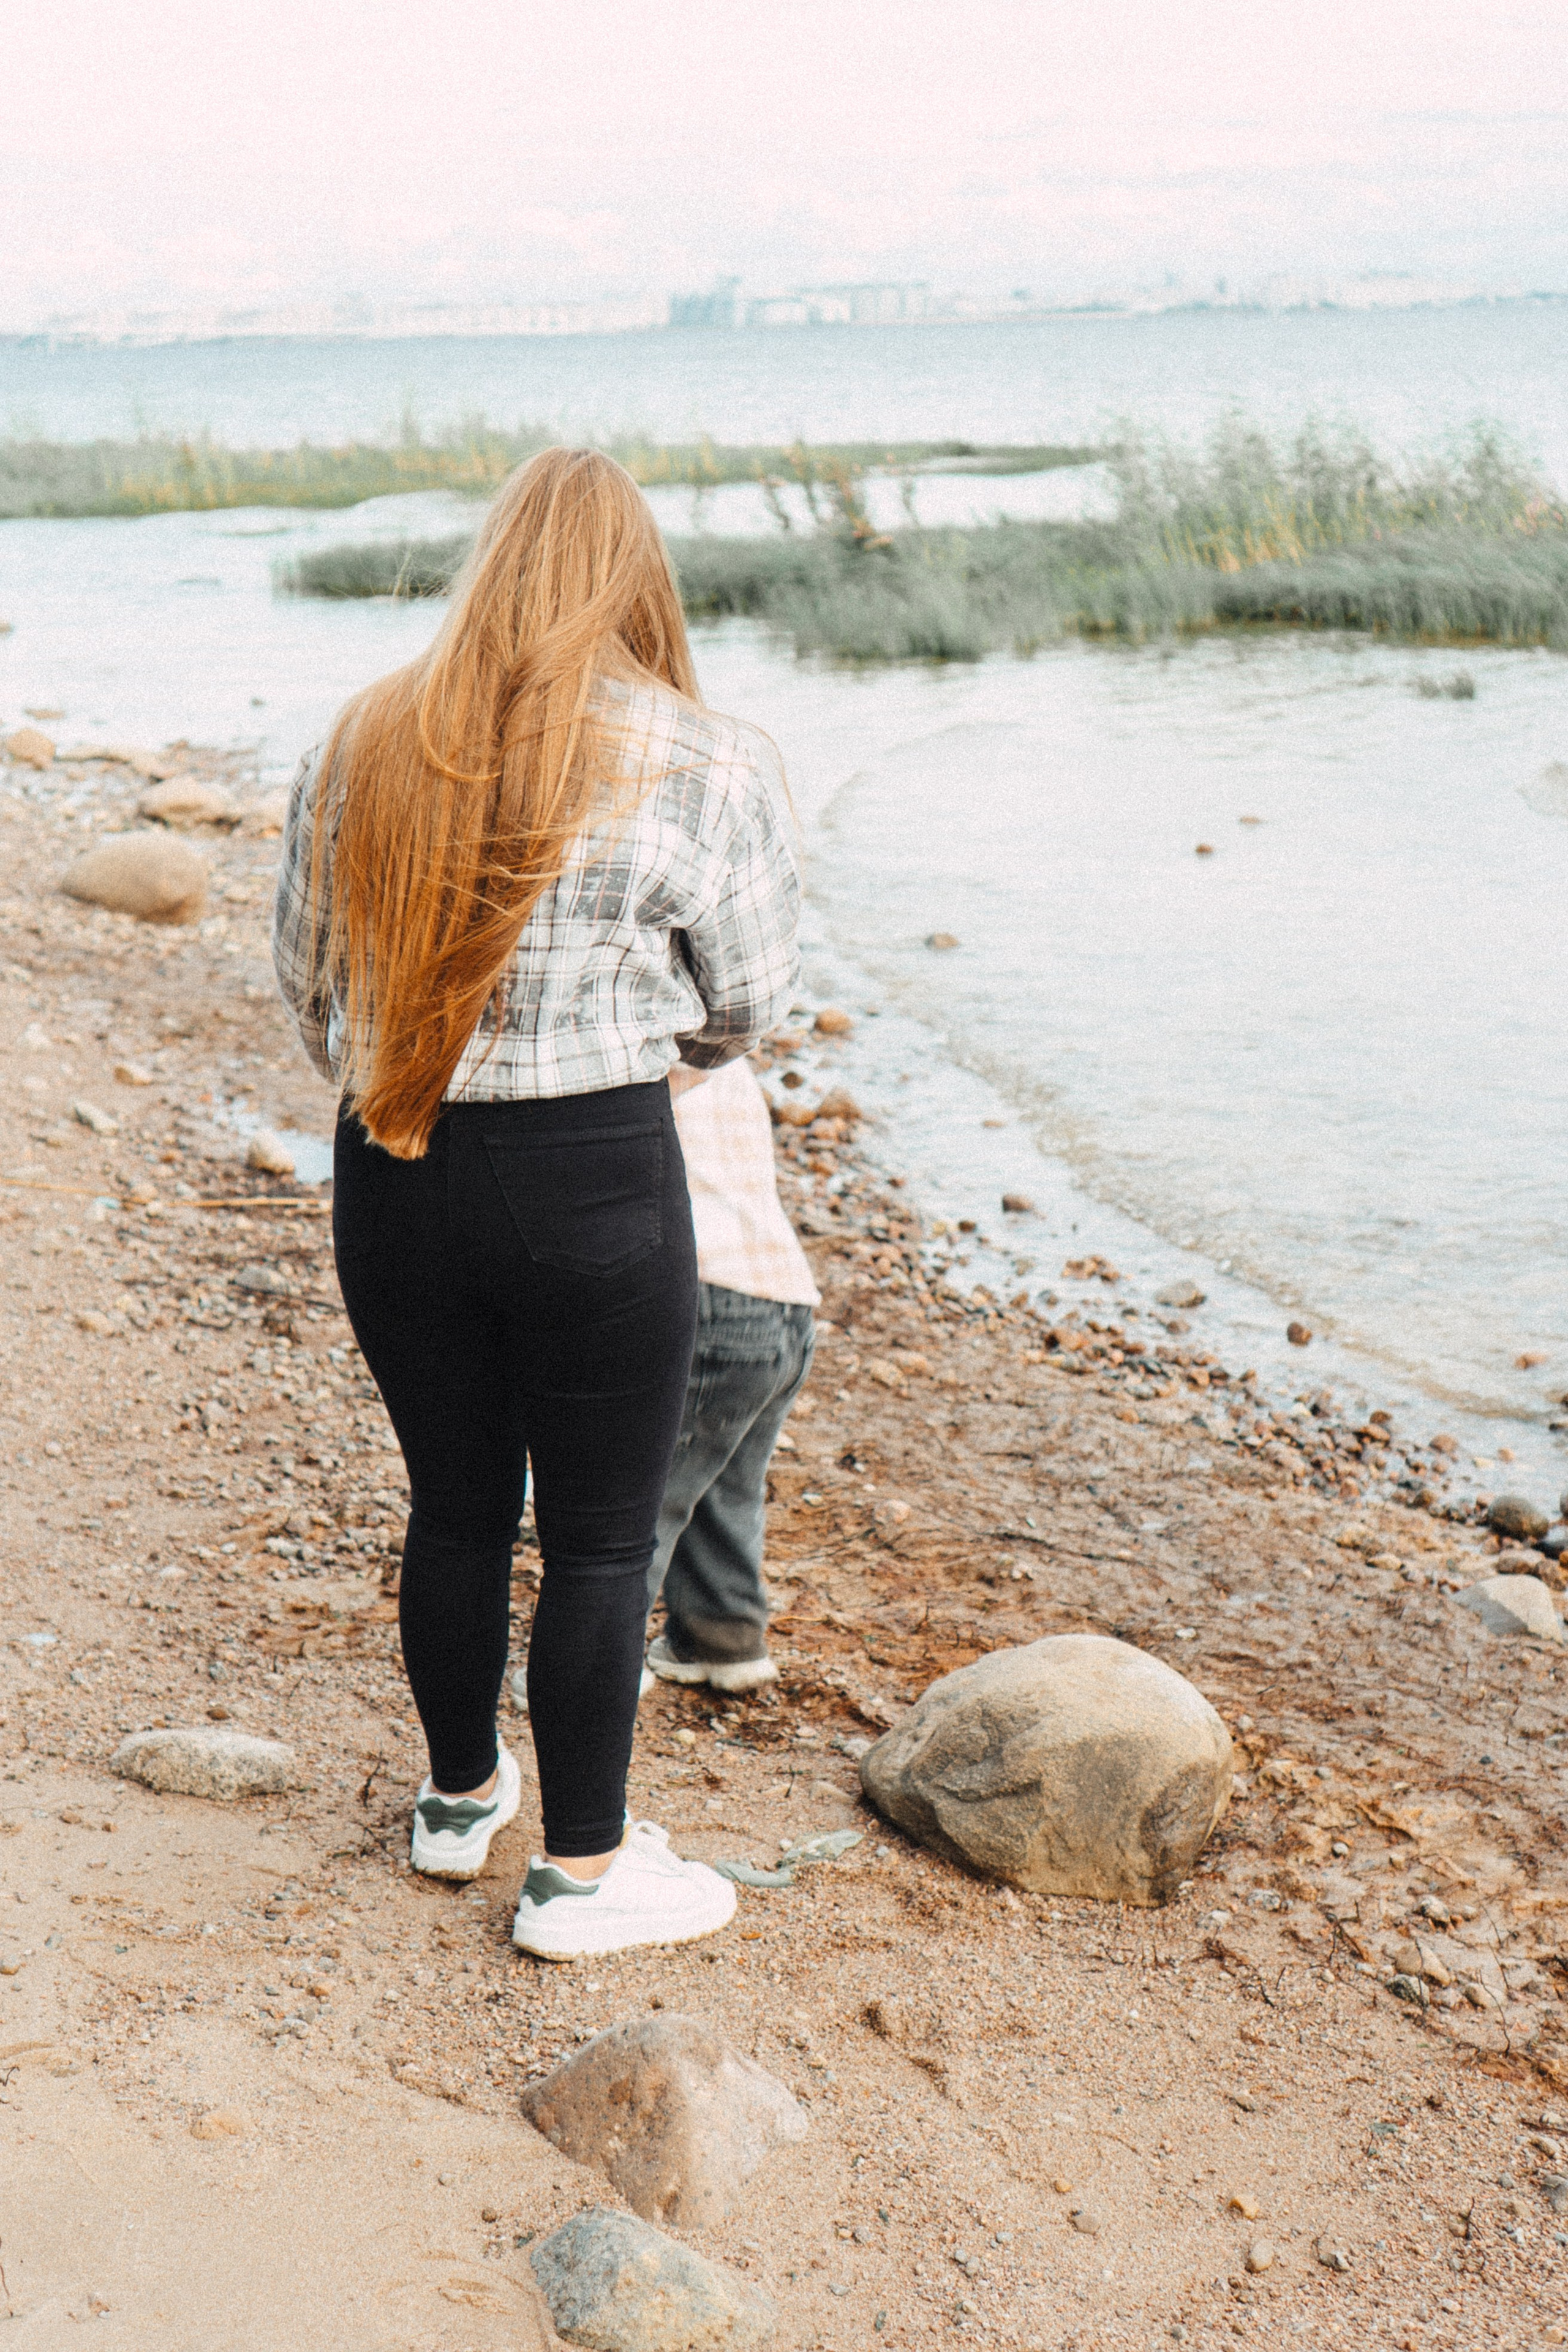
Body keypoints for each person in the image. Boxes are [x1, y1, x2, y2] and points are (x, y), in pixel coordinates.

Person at [272, 448, 800, 1961]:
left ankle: (456, 1802)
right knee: (597, 1540)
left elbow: (309, 985)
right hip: (595, 1173)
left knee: (452, 1502)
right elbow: (750, 1001)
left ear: (490, 563)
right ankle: (579, 1873)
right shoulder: (706, 757)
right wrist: (640, 1057)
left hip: (395, 1161)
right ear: (635, 579)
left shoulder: (365, 736)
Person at [644, 1058, 818, 1692]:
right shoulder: (725, 1057)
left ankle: (594, 1668)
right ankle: (723, 1640)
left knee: (644, 1497)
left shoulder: (647, 1066)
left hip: (709, 1297)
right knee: (726, 1485)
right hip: (786, 1300)